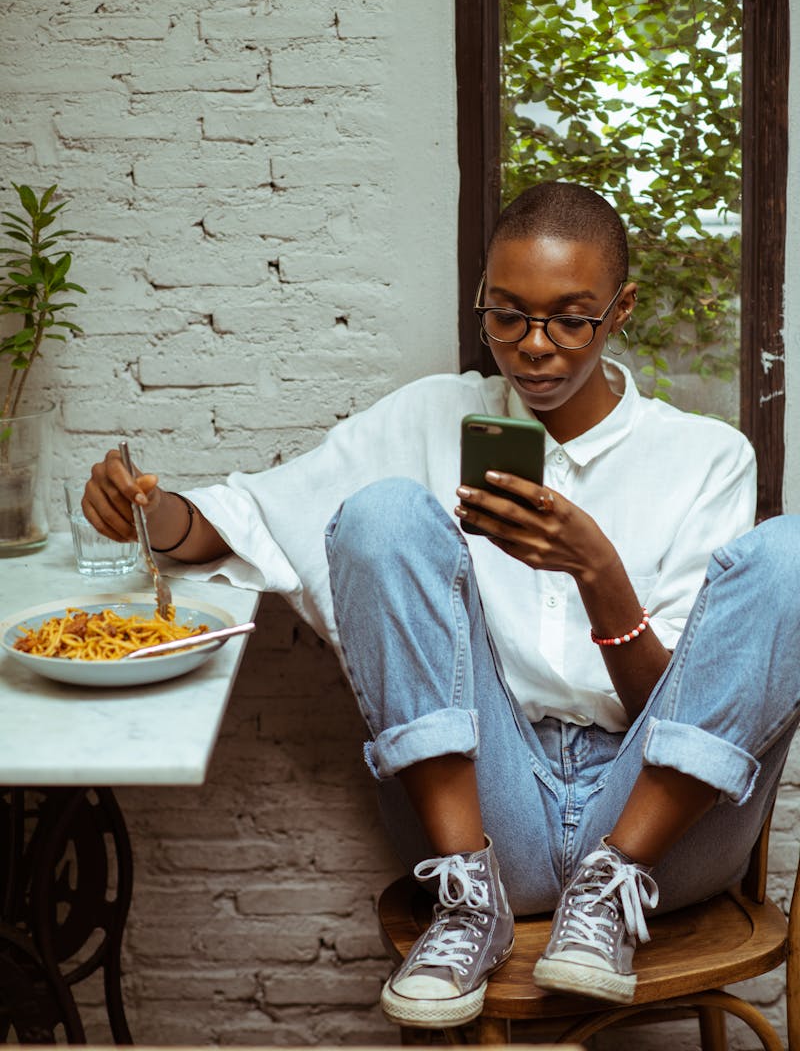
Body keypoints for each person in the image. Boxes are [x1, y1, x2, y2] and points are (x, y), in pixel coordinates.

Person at [83, 182, 800, 1030]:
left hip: (659, 838)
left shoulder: (704, 457)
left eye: (569, 318)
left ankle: (608, 892)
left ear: (621, 310)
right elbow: (241, 518)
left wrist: (596, 573)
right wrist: (146, 507)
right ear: (483, 304)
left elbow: (680, 717)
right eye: (507, 316)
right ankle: (468, 906)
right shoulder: (429, 417)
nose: (534, 348)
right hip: (490, 826)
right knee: (381, 511)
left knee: (792, 552)